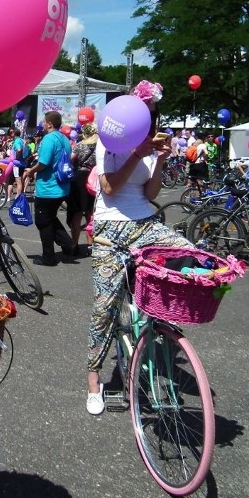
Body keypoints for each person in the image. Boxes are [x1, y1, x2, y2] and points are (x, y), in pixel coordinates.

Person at [86, 81, 193, 415]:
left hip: (145, 222)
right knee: (104, 307)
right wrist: (136, 154)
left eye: (151, 118)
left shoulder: (147, 146)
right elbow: (110, 188)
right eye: (144, 117)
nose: (147, 124)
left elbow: (149, 194)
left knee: (194, 256)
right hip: (109, 228)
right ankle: (94, 380)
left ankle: (157, 328)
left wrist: (159, 160)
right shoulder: (111, 141)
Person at [21, 111, 75, 266]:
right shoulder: (64, 139)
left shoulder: (49, 139)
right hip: (62, 187)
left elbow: (43, 162)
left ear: (49, 124)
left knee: (43, 221)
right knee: (50, 217)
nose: (42, 124)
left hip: (48, 188)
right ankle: (67, 243)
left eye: (44, 122)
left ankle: (49, 257)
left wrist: (31, 171)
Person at [66, 122, 98, 254]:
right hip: (94, 177)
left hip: (79, 179)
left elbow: (70, 160)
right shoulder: (100, 146)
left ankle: (74, 244)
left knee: (77, 212)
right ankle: (91, 245)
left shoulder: (79, 146)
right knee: (91, 213)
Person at [6, 128, 26, 202]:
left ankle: (18, 197)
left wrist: (16, 158)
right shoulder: (21, 140)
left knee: (18, 181)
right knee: (21, 180)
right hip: (22, 163)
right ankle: (20, 196)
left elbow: (19, 149)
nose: (11, 134)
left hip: (17, 164)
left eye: (11, 133)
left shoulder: (17, 141)